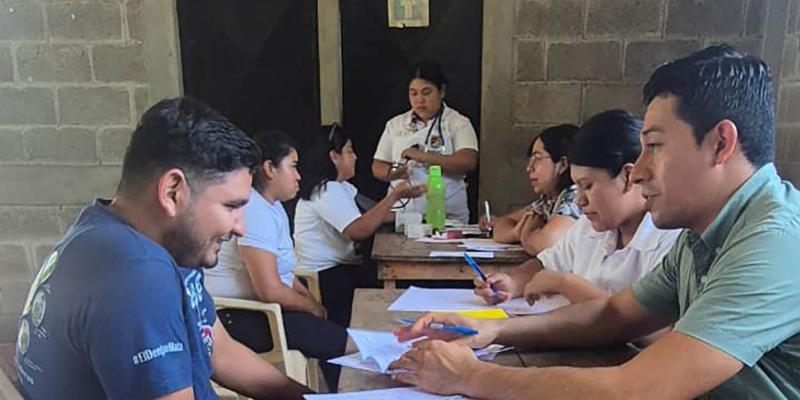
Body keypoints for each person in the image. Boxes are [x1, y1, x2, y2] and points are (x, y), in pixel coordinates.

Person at [391, 45, 800, 399]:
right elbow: (614, 316)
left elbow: (635, 390)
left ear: (721, 144)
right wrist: (493, 331)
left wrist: (469, 375)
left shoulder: (774, 243)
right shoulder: (702, 237)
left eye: (654, 147)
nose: (637, 172)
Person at [15, 97, 310, 399]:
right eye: (231, 206)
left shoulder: (143, 240)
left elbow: (219, 350)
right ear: (172, 192)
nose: (240, 227)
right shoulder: (135, 272)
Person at [475, 110, 680, 306]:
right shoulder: (587, 228)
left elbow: (649, 326)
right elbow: (545, 264)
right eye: (577, 187)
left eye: (588, 186)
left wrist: (565, 284)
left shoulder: (668, 241)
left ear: (628, 176)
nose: (579, 201)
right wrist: (513, 283)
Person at [205, 130, 347, 392]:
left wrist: (308, 299)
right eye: (292, 167)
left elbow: (283, 270)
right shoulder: (254, 209)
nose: (298, 176)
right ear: (270, 169)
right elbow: (268, 288)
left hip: (262, 308)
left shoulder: (272, 205)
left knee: (332, 334)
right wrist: (311, 308)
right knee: (342, 343)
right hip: (239, 315)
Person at [294, 124, 424, 328]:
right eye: (349, 151)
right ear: (334, 157)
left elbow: (373, 214)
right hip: (324, 276)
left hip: (339, 269)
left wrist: (418, 219)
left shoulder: (342, 187)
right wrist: (394, 195)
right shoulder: (326, 190)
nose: (355, 157)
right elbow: (358, 230)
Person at [371, 60, 478, 223]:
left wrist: (422, 156)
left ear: (441, 91)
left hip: (447, 215)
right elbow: (378, 165)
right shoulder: (395, 124)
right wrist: (393, 173)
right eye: (413, 93)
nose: (419, 100)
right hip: (401, 215)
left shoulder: (458, 123)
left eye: (426, 93)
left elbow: (467, 162)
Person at [483, 124, 582, 255]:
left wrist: (526, 232)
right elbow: (502, 224)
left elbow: (545, 244)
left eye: (537, 158)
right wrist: (516, 232)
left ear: (562, 164)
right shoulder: (548, 199)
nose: (529, 168)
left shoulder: (575, 196)